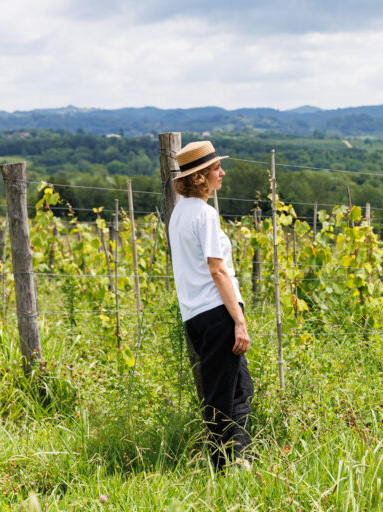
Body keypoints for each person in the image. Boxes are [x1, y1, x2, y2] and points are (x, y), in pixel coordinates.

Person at [168, 141, 254, 471]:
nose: (223, 173)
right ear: (200, 176)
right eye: (217, 168)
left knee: (238, 389)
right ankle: (223, 468)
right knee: (223, 395)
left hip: (195, 316)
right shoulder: (205, 214)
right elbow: (217, 269)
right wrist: (239, 320)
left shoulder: (178, 214)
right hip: (218, 313)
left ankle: (239, 461)